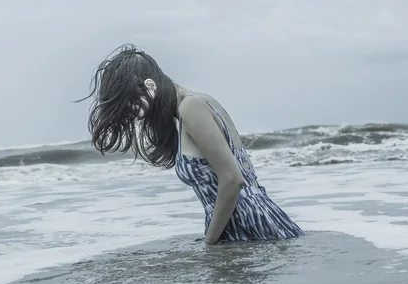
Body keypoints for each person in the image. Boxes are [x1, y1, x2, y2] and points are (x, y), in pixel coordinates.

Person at [78, 44, 304, 243]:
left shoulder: (191, 107)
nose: (132, 114)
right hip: (247, 221)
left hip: (247, 226)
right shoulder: (199, 103)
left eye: (129, 104)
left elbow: (233, 179)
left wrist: (209, 241)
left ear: (149, 86)